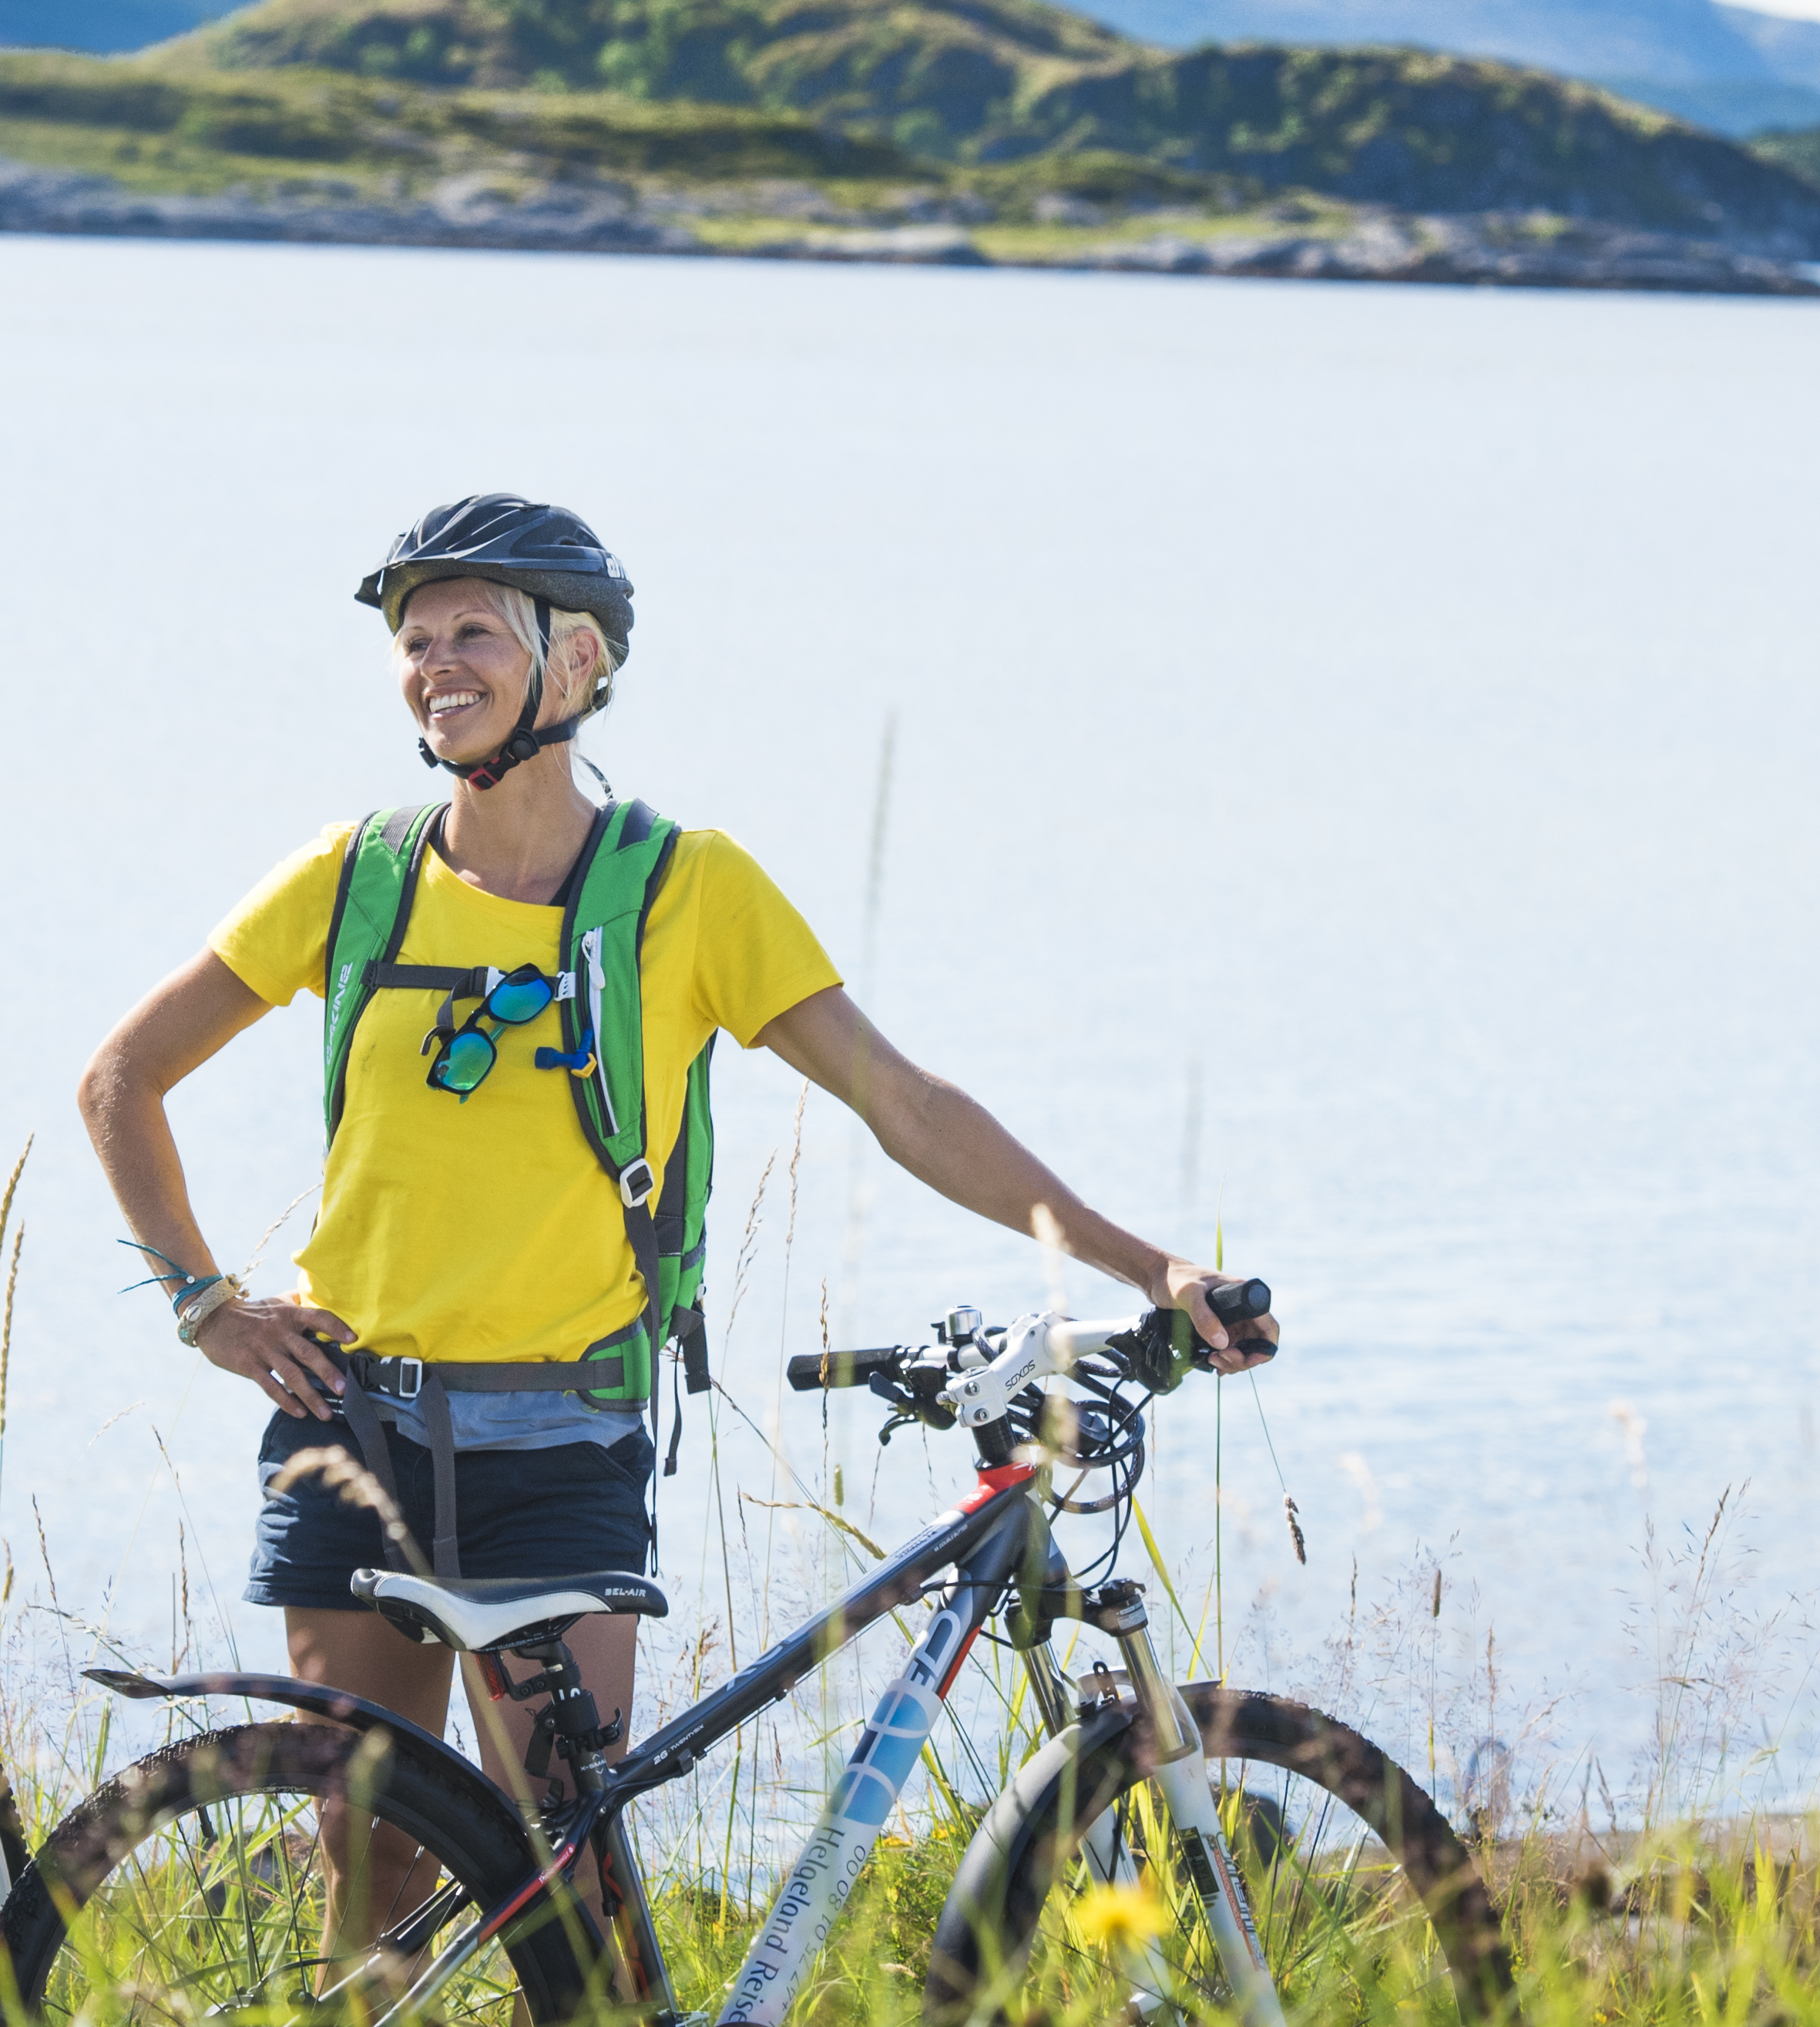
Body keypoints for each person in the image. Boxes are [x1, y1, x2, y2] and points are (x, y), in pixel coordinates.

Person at [73, 492, 1269, 1953]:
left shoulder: (685, 891)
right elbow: (121, 1080)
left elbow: (905, 1104)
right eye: (412, 638)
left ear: (573, 662)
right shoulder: (353, 877)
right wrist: (205, 1304)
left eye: (472, 633)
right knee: (365, 1855)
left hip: (559, 1439)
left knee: (565, 1880)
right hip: (348, 1423)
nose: (433, 664)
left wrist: (1150, 1265)